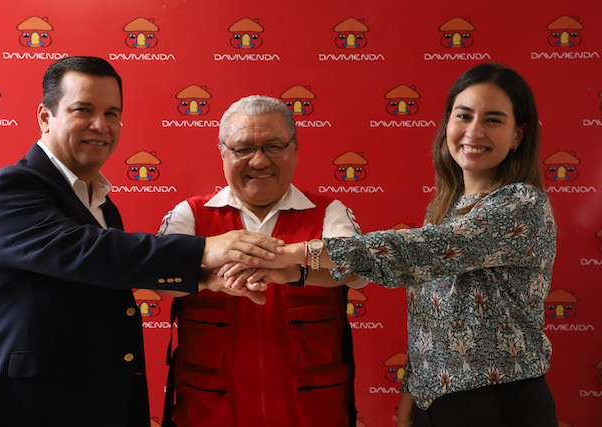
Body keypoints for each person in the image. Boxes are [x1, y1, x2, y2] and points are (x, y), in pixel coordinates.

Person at [0, 56, 282, 427]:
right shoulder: (13, 187)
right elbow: (82, 251)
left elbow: (104, 272)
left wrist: (205, 278)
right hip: (27, 407)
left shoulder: (100, 201)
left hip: (97, 402)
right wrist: (205, 249)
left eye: (112, 113)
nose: (102, 126)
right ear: (45, 118)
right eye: (84, 110)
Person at [233, 64, 558, 427]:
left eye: (493, 120)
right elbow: (428, 322)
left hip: (500, 405)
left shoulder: (522, 204)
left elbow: (423, 249)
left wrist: (295, 251)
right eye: (463, 115)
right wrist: (290, 272)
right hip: (432, 404)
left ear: (518, 135)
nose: (474, 131)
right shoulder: (444, 208)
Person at [157, 95, 367, 427]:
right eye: (243, 149)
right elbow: (157, 279)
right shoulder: (191, 214)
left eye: (273, 146)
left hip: (312, 412)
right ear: (223, 154)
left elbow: (359, 269)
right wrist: (210, 267)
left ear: (294, 151)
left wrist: (293, 268)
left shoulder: (328, 212)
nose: (259, 161)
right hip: (209, 412)